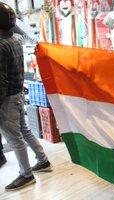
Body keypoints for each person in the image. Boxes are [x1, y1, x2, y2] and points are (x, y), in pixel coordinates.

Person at [0, 2, 52, 191]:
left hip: (7, 99)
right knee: (24, 131)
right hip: (18, 94)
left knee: (14, 138)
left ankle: (26, 174)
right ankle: (43, 161)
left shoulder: (1, 45)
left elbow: (1, 81)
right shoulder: (14, 39)